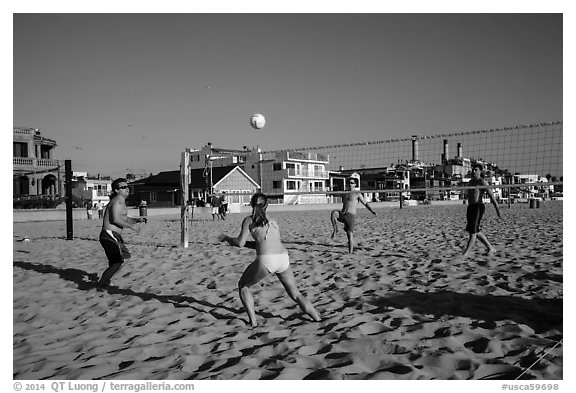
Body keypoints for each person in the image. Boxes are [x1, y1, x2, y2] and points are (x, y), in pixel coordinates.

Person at [219, 193, 321, 328]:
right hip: (283, 257)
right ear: (266, 205)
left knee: (243, 286)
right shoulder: (273, 220)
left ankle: (253, 323)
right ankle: (318, 319)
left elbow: (240, 243)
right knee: (296, 294)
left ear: (251, 204)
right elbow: (263, 242)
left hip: (267, 260)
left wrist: (227, 238)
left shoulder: (249, 220)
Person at [96, 178, 147, 289]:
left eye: (127, 187)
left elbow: (124, 218)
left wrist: (136, 220)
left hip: (115, 236)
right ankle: (100, 285)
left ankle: (107, 280)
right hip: (109, 235)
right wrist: (131, 226)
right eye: (123, 187)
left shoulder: (122, 202)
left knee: (125, 257)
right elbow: (115, 220)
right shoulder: (117, 201)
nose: (127, 189)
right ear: (116, 190)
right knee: (117, 262)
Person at [462, 164, 503, 256]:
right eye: (473, 170)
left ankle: (466, 253)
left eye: (476, 170)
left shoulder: (482, 182)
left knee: (473, 232)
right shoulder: (471, 181)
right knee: (475, 230)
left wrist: (498, 210)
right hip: (471, 207)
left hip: (478, 207)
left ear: (480, 171)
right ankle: (490, 248)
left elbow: (492, 197)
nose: (473, 171)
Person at [330, 176, 376, 253]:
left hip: (350, 215)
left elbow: (365, 203)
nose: (350, 184)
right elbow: (334, 193)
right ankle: (335, 230)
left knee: (349, 234)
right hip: (342, 214)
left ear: (355, 184)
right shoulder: (345, 193)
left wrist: (371, 211)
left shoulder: (357, 193)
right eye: (348, 183)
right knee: (334, 213)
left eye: (351, 183)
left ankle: (350, 252)